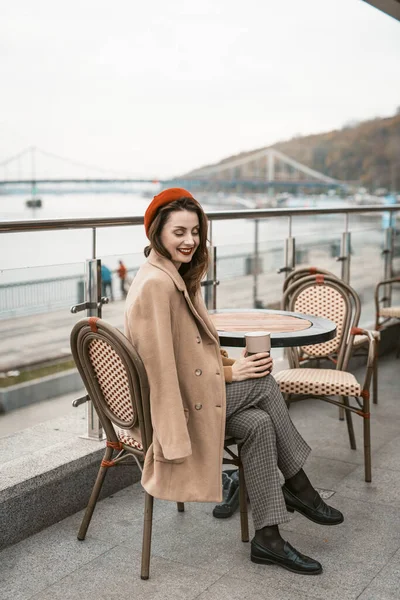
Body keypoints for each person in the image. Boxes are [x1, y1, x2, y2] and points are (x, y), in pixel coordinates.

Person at [122, 188, 343, 576]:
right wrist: (231, 373)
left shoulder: (175, 276)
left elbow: (191, 354)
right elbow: (162, 369)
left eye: (195, 231)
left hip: (194, 397)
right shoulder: (156, 286)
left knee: (258, 423)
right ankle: (298, 483)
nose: (190, 240)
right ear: (157, 233)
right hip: (172, 413)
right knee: (262, 383)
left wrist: (227, 366)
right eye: (179, 232)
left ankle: (268, 539)